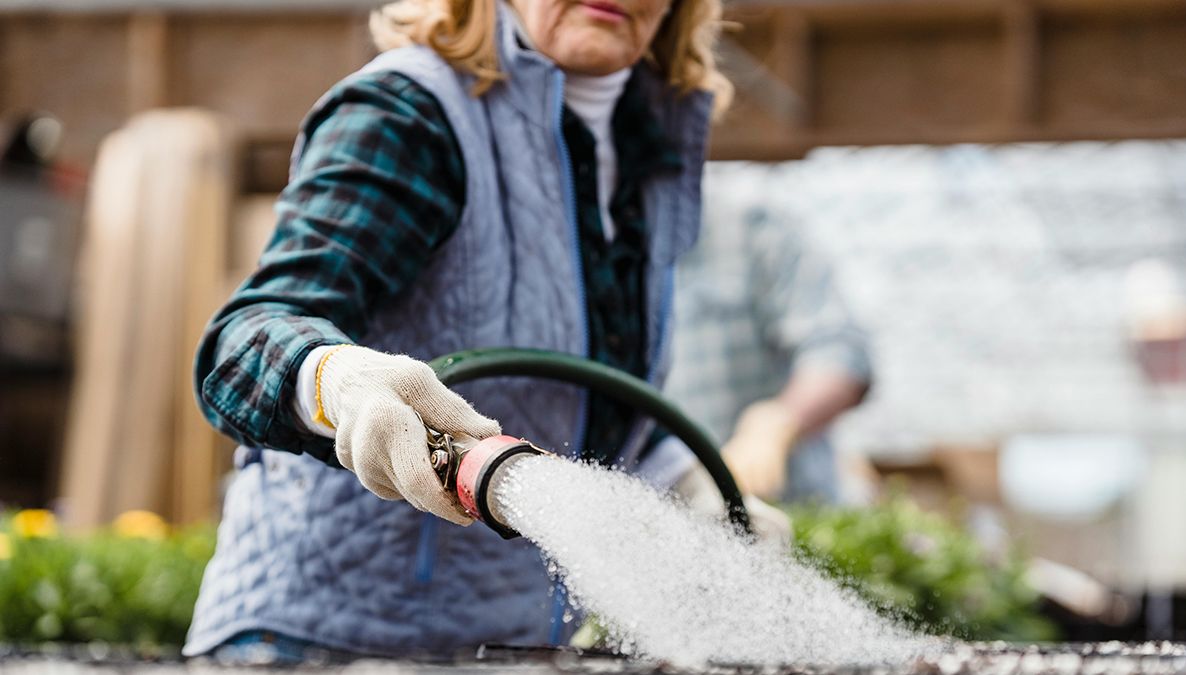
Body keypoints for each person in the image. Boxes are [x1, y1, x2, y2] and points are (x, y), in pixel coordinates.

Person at [184, 0, 779, 660]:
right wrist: (335, 381)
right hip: (318, 641)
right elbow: (239, 343)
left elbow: (578, 400)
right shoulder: (410, 114)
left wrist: (680, 487)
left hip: (508, 646)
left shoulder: (651, 147)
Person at [664, 165, 872, 504]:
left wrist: (775, 423)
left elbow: (839, 350)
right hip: (661, 524)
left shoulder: (750, 222)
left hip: (784, 509)